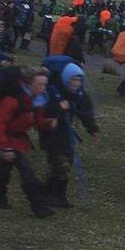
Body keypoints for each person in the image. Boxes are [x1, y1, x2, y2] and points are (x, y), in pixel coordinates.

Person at [0, 66, 56, 218]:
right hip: (9, 140)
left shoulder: (35, 100)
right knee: (26, 172)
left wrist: (47, 123)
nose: (44, 88)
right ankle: (39, 206)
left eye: (45, 84)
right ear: (29, 83)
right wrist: (5, 148)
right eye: (40, 85)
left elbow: (37, 120)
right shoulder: (12, 101)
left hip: (17, 140)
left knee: (4, 169)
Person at [38, 59, 101, 208]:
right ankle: (57, 196)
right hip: (51, 132)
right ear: (66, 79)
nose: (76, 83)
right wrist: (60, 109)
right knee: (61, 162)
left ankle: (50, 193)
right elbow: (43, 114)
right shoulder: (52, 91)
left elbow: (85, 112)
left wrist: (93, 130)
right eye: (73, 80)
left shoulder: (79, 94)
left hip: (66, 132)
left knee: (66, 161)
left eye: (79, 80)